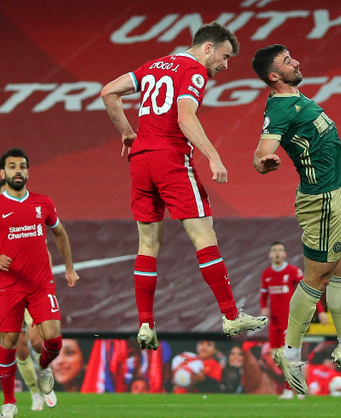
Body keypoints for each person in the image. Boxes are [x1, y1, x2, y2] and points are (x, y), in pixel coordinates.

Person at [100, 22, 267, 349]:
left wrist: (126, 132)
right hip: (170, 158)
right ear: (209, 47)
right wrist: (214, 156)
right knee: (204, 236)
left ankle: (146, 325)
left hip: (140, 160)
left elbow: (108, 92)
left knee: (147, 245)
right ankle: (231, 315)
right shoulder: (194, 70)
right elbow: (185, 117)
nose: (225, 64)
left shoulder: (154, 65)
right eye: (225, 55)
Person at [251, 45, 341, 395]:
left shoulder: (295, 96)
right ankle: (289, 353)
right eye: (287, 62)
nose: (296, 62)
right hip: (320, 199)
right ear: (273, 76)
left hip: (337, 191)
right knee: (317, 276)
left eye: (293, 56)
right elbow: (262, 151)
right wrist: (266, 161)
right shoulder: (279, 107)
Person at [0, 147, 79, 418]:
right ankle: (9, 402)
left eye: (22, 166)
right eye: (12, 166)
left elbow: (60, 234)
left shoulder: (43, 202)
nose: (17, 170)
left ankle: (44, 367)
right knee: (9, 343)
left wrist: (69, 268)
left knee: (53, 339)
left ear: (28, 171)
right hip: (9, 287)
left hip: (41, 284)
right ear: (2, 172)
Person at [0, 178, 56, 410]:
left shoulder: (29, 219)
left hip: (33, 288)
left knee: (38, 341)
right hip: (9, 291)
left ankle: (44, 374)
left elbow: (45, 252)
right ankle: (35, 395)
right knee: (20, 349)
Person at [258, 241, 327, 399]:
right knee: (277, 356)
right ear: (270, 254)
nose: (277, 253)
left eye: (280, 250)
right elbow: (263, 297)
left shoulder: (292, 271)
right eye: (274, 250)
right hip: (274, 322)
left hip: (290, 320)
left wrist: (321, 311)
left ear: (285, 254)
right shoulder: (266, 274)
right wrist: (263, 307)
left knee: (288, 356)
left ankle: (290, 389)